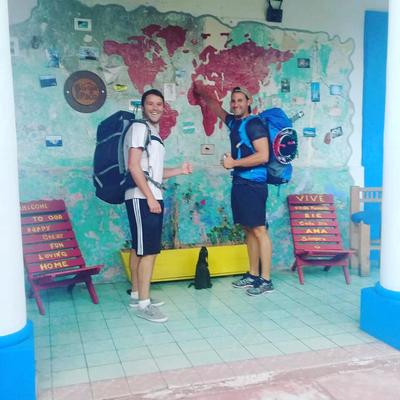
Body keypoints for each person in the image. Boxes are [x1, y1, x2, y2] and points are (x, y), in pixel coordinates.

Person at [194, 83, 273, 295]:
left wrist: (234, 163)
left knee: (259, 230)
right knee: (248, 228)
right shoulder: (234, 122)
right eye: (233, 101)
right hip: (240, 183)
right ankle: (253, 274)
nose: (236, 104)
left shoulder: (254, 124)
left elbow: (263, 155)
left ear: (248, 102)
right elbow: (216, 108)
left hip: (254, 184)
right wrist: (202, 91)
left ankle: (266, 280)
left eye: (240, 100)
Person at [124, 88, 193, 322]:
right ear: (143, 107)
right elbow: (134, 166)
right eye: (150, 104)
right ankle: (144, 305)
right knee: (148, 251)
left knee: (140, 248)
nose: (155, 108)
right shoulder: (139, 128)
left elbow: (154, 173)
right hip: (142, 197)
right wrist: (150, 198)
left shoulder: (153, 133)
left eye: (159, 104)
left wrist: (179, 171)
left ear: (164, 108)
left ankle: (137, 295)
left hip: (148, 194)